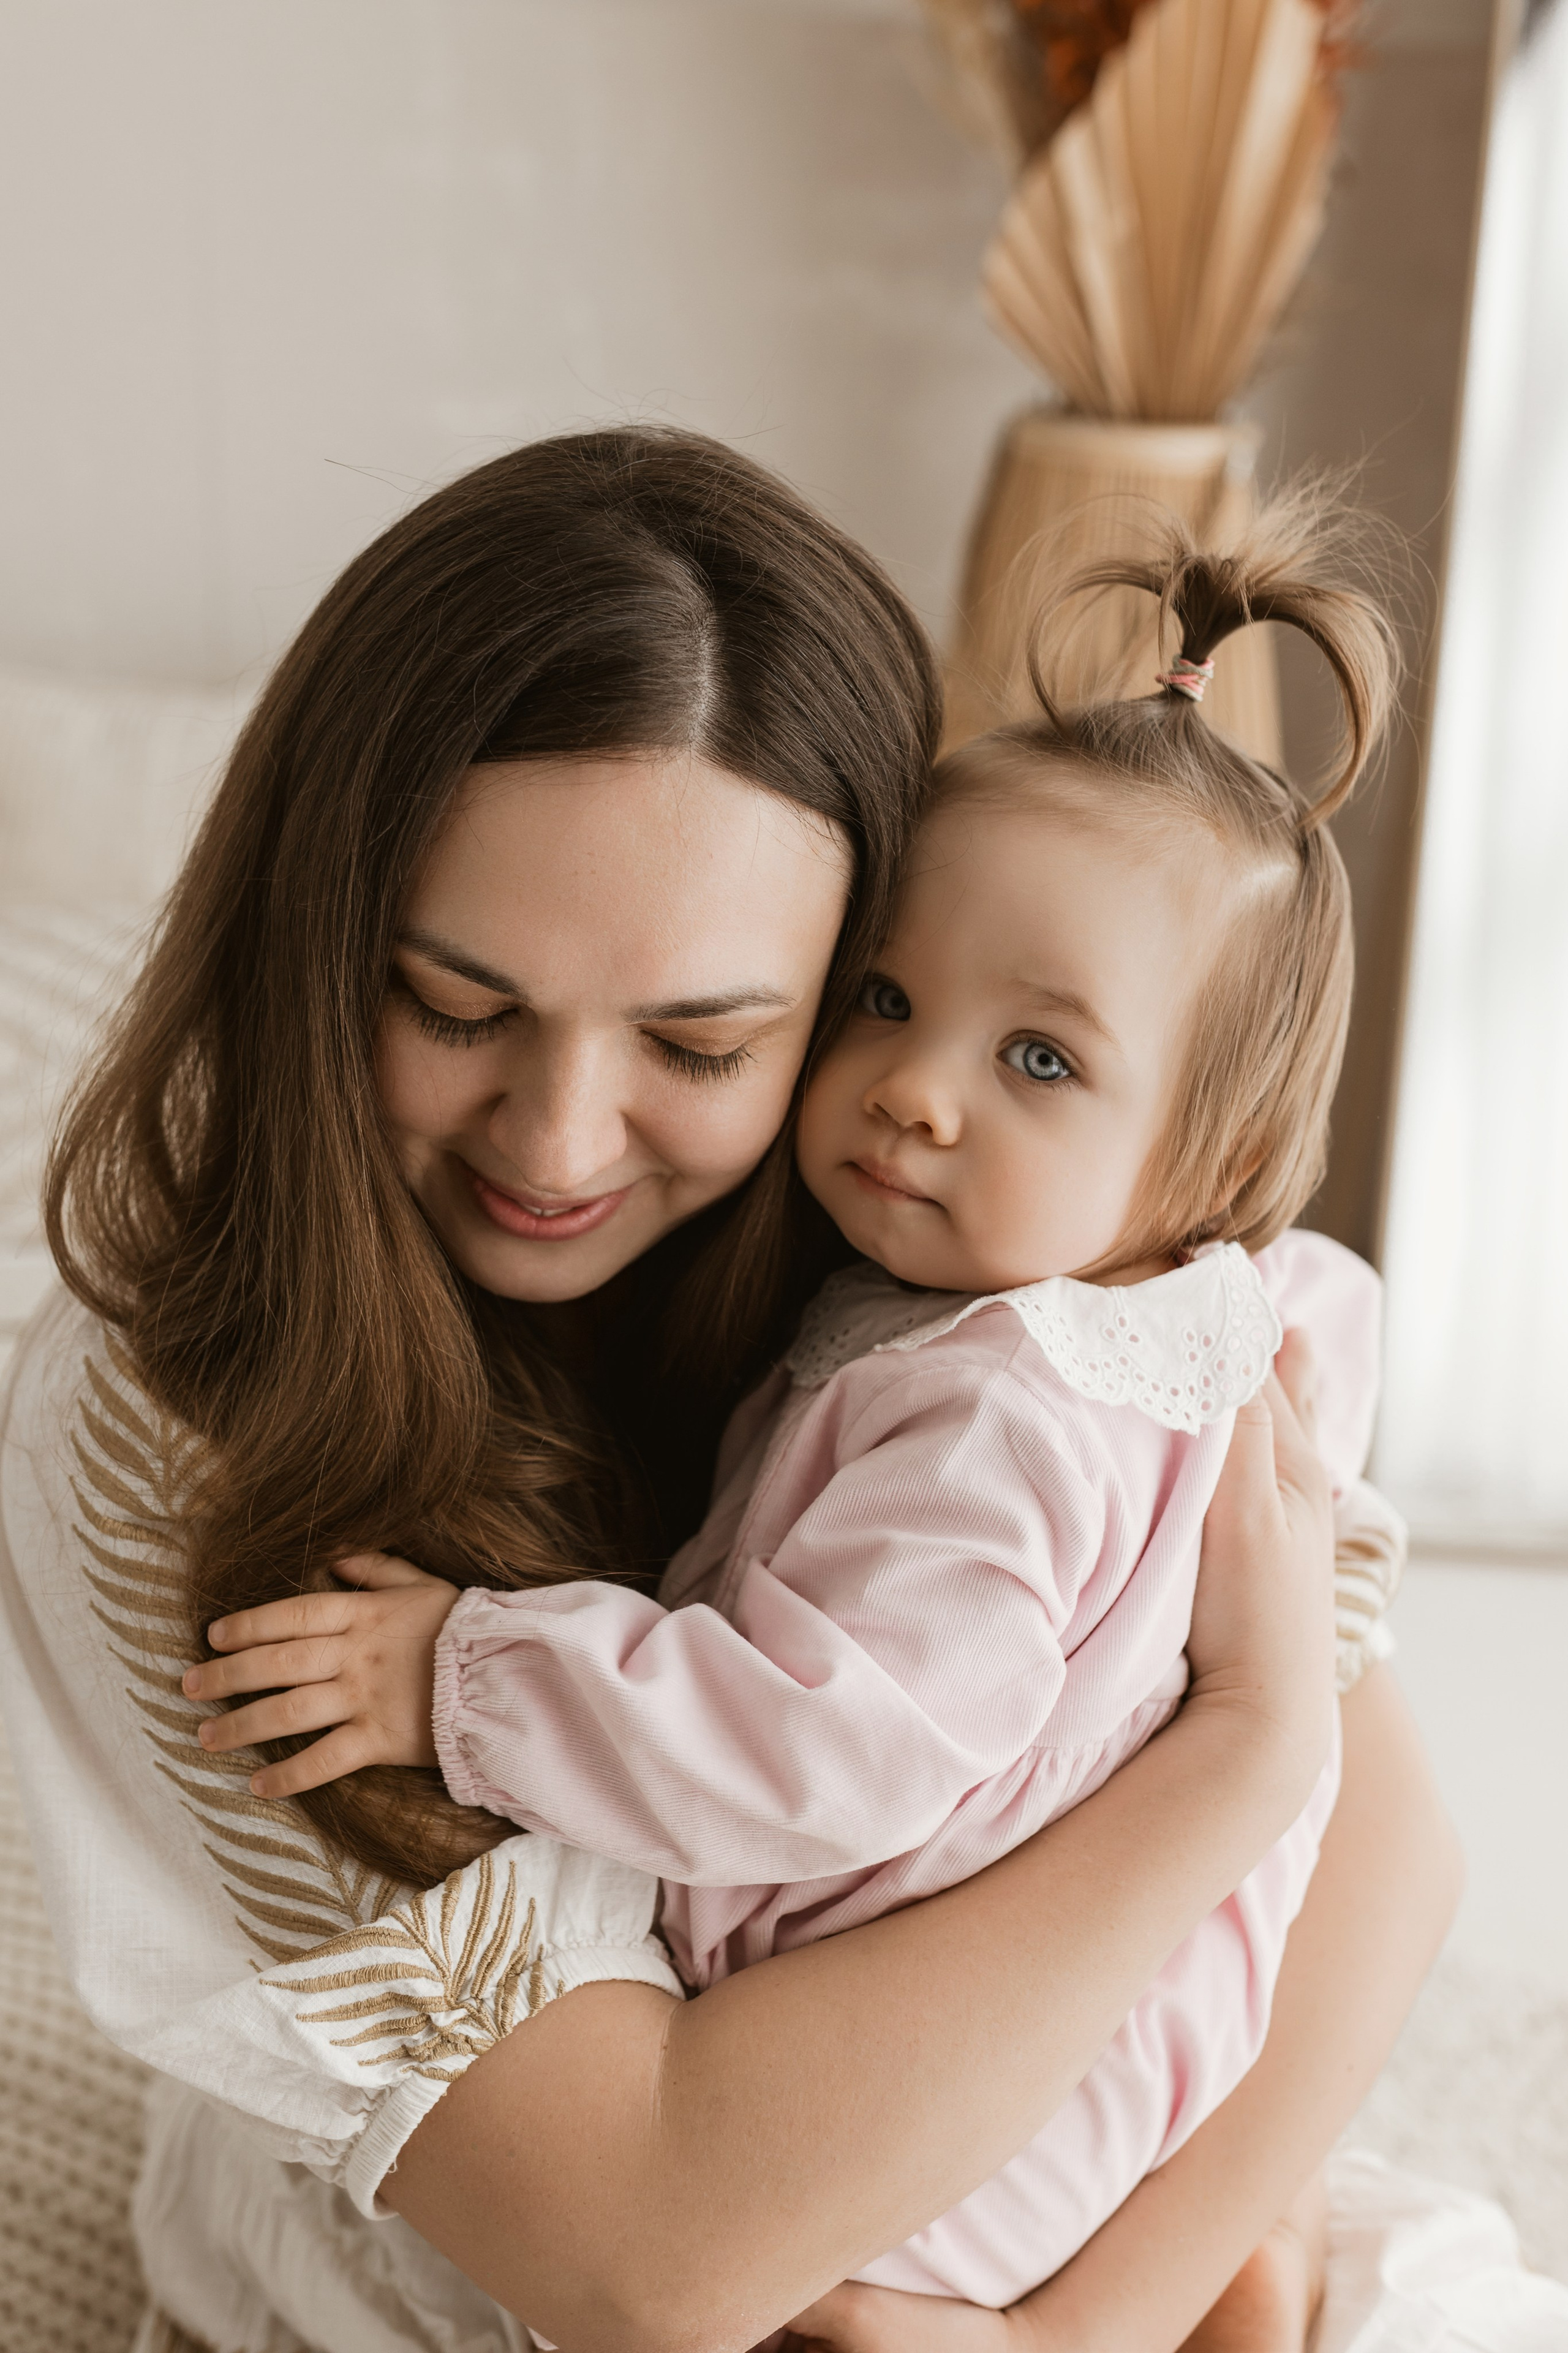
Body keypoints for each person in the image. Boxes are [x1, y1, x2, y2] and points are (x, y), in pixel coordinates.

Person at [0, 428, 1457, 2353]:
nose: (562, 1134)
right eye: (455, 1005)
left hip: (1008, 2204)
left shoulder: (968, 1266)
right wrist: (1249, 1743)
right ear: (317, 941)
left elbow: (1381, 1847)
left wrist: (1085, 2326)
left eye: (703, 1038)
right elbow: (650, 2261)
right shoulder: (169, 1423)